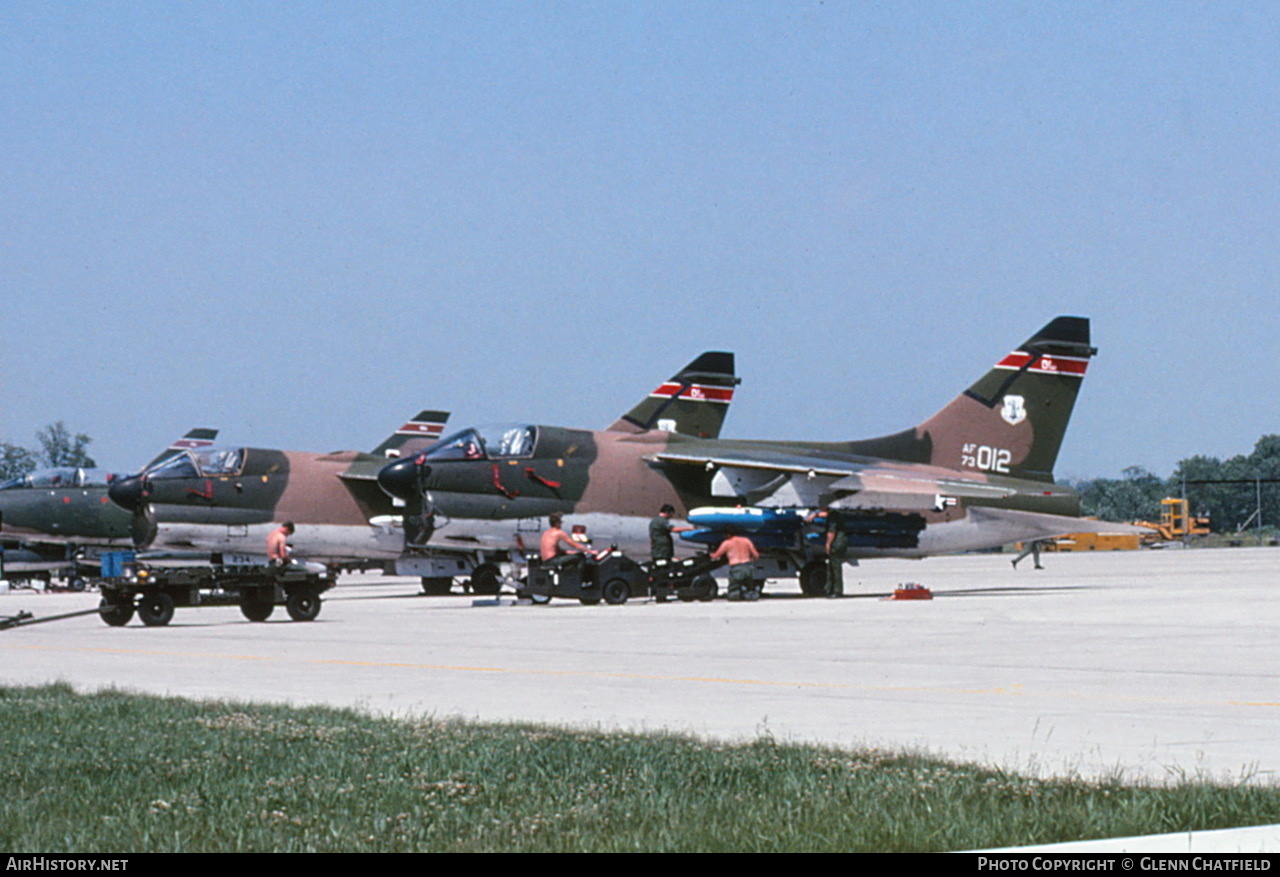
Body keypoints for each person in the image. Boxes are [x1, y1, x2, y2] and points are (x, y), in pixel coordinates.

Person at [710, 527, 760, 601]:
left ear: (728, 534)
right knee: (750, 589)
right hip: (748, 567)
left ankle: (737, 595)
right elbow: (756, 555)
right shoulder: (746, 541)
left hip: (736, 568)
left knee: (733, 592)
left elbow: (716, 556)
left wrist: (710, 554)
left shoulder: (727, 543)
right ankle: (749, 595)